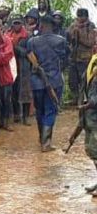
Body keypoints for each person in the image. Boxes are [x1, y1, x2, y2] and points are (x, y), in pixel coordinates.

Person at [28, 15, 69, 152]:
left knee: (40, 110)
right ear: (52, 26)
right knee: (50, 110)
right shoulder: (61, 41)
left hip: (36, 82)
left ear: (41, 25)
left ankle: (42, 139)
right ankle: (46, 143)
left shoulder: (32, 41)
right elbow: (64, 60)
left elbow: (31, 61)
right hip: (54, 81)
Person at [7, 13, 33, 126]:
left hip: (24, 66)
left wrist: (15, 47)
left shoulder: (28, 36)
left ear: (22, 24)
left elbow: (28, 52)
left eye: (18, 23)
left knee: (25, 91)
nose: (16, 25)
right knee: (13, 91)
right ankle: (17, 115)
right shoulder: (8, 35)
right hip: (12, 65)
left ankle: (26, 116)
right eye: (14, 23)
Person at [68, 9, 97, 105]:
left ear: (86, 17)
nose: (80, 18)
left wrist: (79, 36)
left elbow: (90, 42)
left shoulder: (90, 26)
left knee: (84, 80)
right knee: (73, 80)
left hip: (85, 58)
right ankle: (76, 99)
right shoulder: (73, 25)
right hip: (74, 57)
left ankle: (86, 100)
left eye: (82, 16)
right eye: (78, 16)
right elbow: (68, 37)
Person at [80, 58, 97, 196]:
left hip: (94, 118)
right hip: (90, 119)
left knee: (95, 152)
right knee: (92, 151)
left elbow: (94, 100)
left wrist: (85, 105)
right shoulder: (92, 61)